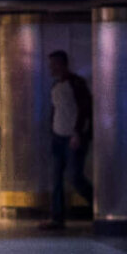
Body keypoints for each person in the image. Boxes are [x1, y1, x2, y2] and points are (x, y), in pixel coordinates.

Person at [39, 50, 94, 231]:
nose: (51, 68)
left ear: (63, 64)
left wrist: (78, 133)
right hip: (58, 135)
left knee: (74, 176)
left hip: (73, 137)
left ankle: (97, 204)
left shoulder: (76, 84)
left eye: (54, 64)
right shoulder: (56, 86)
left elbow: (85, 109)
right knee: (56, 178)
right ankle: (57, 217)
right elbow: (56, 110)